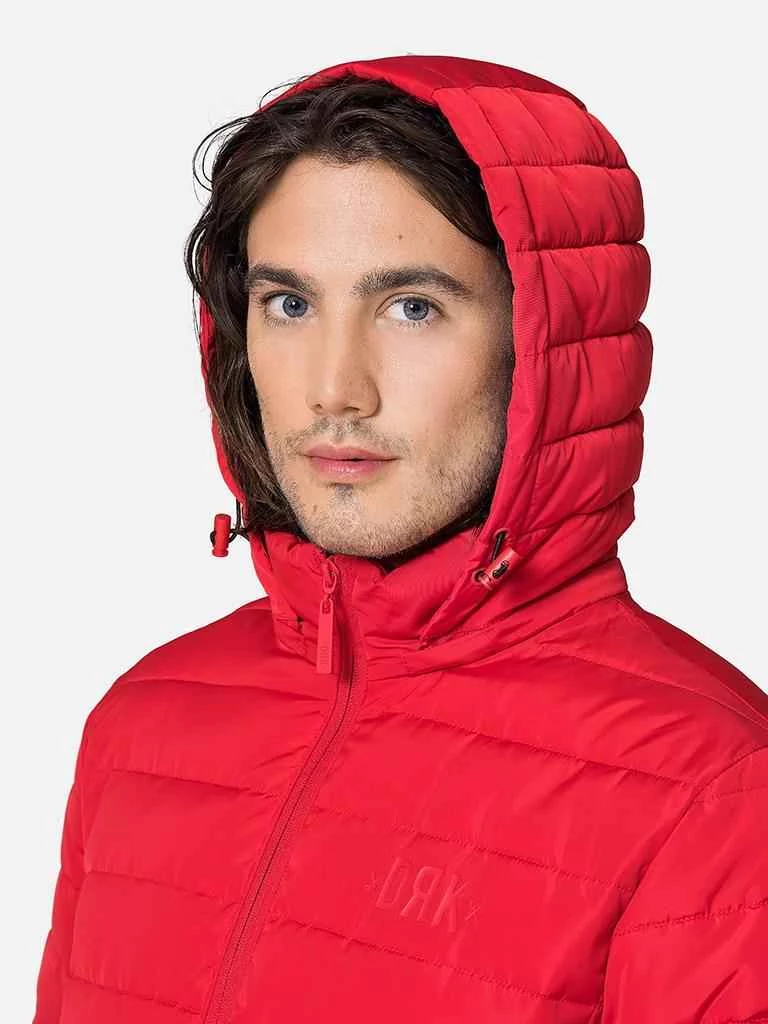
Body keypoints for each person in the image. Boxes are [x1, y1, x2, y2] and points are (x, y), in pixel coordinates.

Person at [32, 54, 768, 1024]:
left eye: (412, 308)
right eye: (290, 304)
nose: (335, 388)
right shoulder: (142, 726)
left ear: (547, 341)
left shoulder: (714, 788)